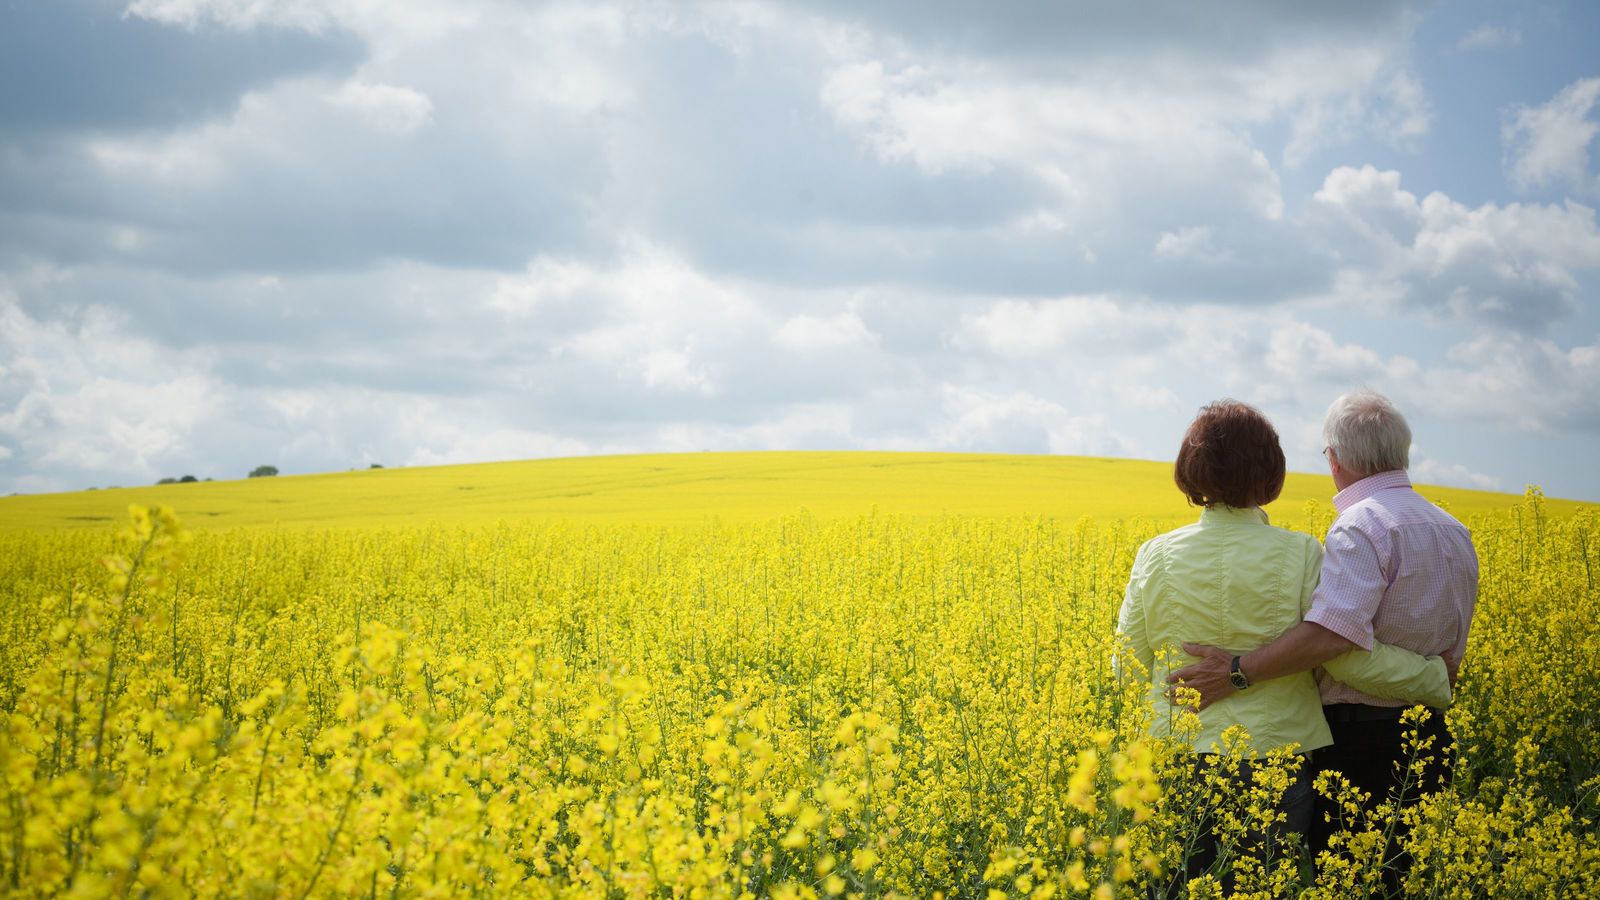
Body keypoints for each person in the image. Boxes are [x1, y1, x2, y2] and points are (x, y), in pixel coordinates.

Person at [1115, 399, 1450, 892]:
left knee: (1174, 887)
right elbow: (1342, 654)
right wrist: (1432, 676)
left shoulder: (1155, 555)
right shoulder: (1301, 553)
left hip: (1175, 751)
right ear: (1272, 472)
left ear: (1190, 470)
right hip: (1273, 758)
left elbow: (1127, 663)